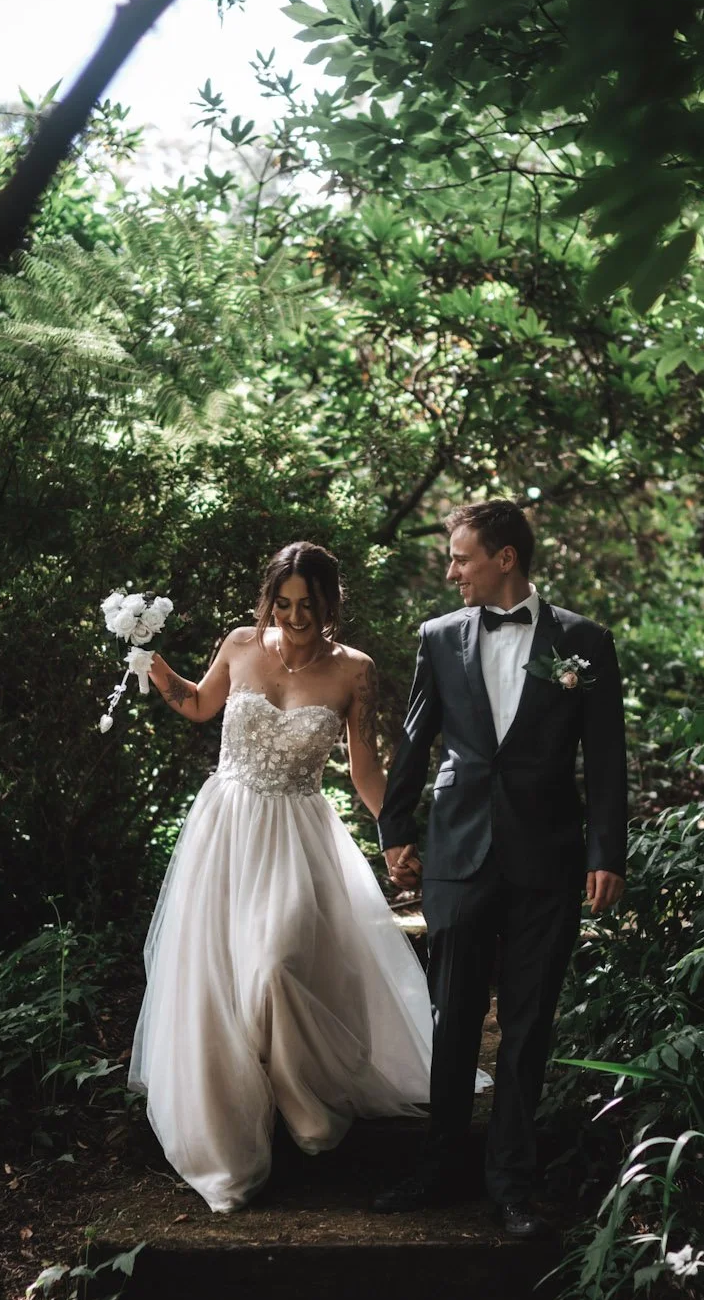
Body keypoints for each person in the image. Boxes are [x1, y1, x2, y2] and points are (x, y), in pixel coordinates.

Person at [127, 542, 434, 1213]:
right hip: (226, 831)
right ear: (269, 601)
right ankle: (235, 1118)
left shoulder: (354, 670)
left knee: (277, 963)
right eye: (284, 604)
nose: (295, 619)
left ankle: (309, 1109)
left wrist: (396, 836)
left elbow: (363, 770)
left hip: (298, 834)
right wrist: (154, 668)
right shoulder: (240, 644)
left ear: (330, 604)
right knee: (221, 978)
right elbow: (200, 706)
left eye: (309, 606)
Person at [373, 500, 627, 1239]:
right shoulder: (438, 637)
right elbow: (416, 738)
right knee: (452, 1019)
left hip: (547, 858)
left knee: (527, 1023)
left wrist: (607, 853)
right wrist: (395, 830)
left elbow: (605, 758)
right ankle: (439, 1164)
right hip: (458, 854)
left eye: (461, 557)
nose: (450, 570)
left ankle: (511, 1182)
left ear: (505, 557)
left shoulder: (583, 642)